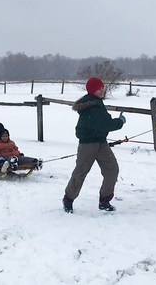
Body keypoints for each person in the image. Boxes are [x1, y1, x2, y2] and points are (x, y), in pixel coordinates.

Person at [62, 77, 125, 213]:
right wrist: (119, 122)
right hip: (88, 144)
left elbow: (104, 121)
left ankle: (105, 200)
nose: (102, 90)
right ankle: (68, 199)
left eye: (103, 87)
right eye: (99, 88)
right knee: (80, 172)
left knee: (112, 170)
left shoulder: (97, 102)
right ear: (92, 90)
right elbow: (105, 123)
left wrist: (114, 122)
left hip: (101, 142)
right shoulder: (92, 106)